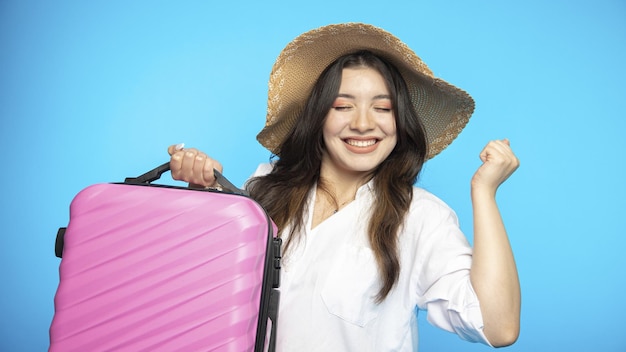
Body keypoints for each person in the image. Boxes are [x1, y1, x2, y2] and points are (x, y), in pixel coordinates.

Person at [167, 23, 520, 351]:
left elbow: (498, 327)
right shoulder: (262, 191)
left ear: (400, 122)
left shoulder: (421, 217)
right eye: (342, 106)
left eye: (382, 108)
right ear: (318, 116)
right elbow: (203, 291)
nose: (363, 124)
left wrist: (484, 193)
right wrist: (205, 192)